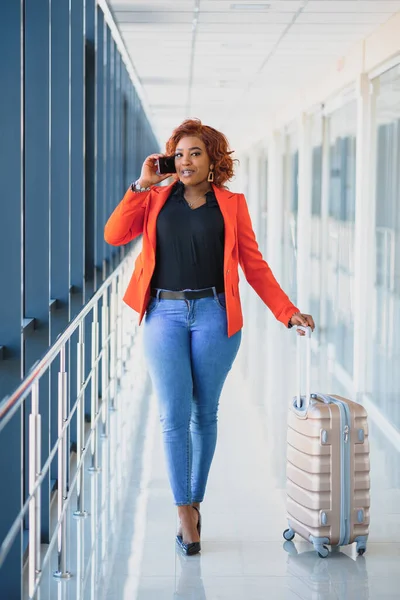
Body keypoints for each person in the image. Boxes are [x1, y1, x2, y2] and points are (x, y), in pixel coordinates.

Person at [104, 118, 315, 556]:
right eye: (178, 154)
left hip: (215, 315)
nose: (185, 161)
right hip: (163, 311)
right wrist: (141, 185)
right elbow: (113, 235)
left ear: (212, 158)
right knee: (172, 414)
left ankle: (193, 501)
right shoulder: (157, 199)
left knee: (204, 413)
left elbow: (254, 267)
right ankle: (185, 514)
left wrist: (287, 312)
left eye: (195, 153)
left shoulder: (232, 205)